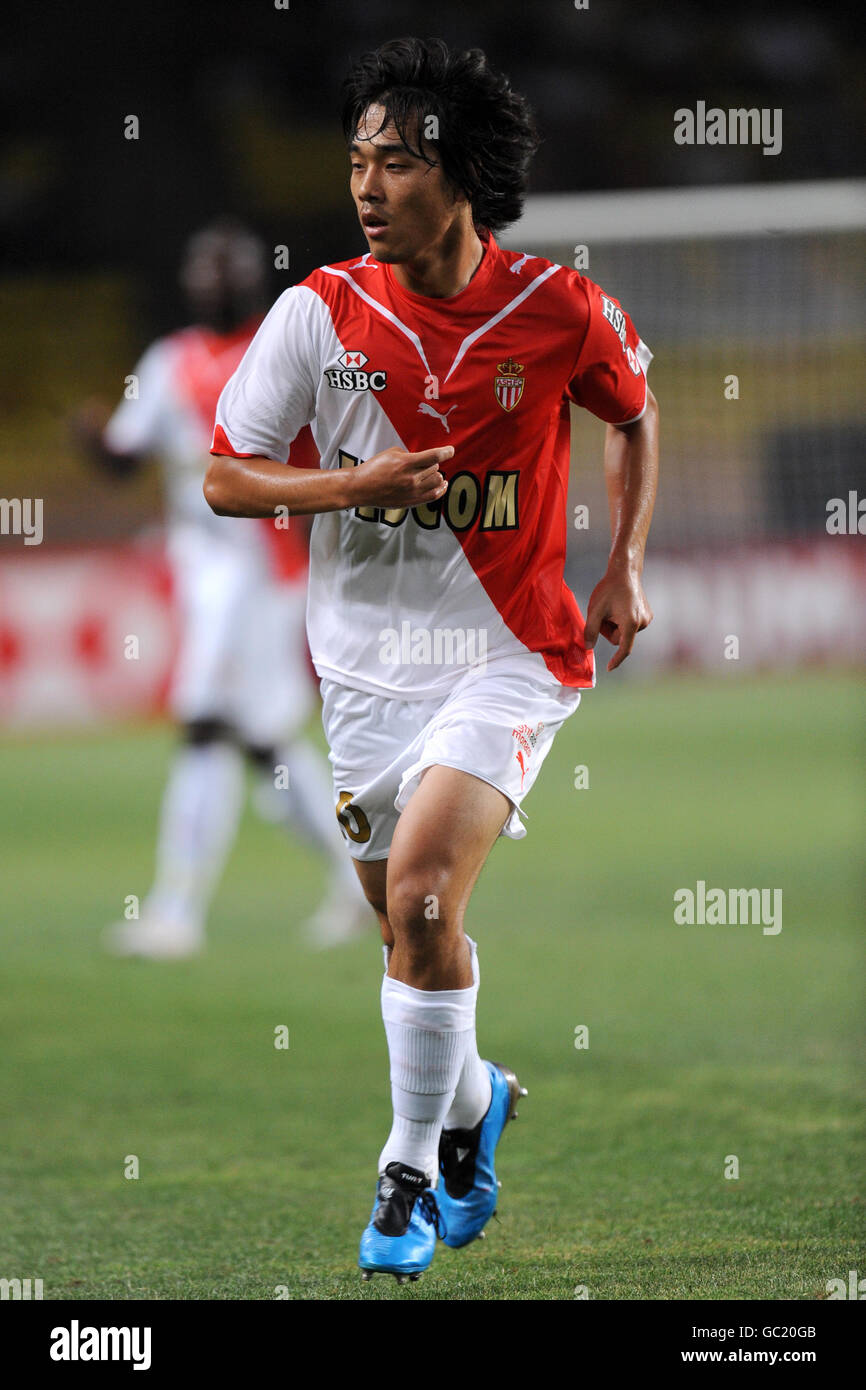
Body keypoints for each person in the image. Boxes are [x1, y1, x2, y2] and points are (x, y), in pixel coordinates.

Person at [205, 38, 659, 1284]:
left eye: (394, 160)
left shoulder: (556, 309)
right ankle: (474, 1101)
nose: (364, 184)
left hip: (511, 653)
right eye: (355, 158)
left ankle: (404, 1168)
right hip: (359, 671)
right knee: (407, 927)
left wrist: (620, 563)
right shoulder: (319, 314)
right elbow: (225, 475)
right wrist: (355, 480)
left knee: (418, 894)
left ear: (456, 177)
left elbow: (634, 412)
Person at [74, 220, 371, 957]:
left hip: (263, 573)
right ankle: (359, 880)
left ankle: (176, 911)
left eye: (230, 270)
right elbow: (126, 455)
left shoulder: (282, 351)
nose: (217, 282)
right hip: (204, 574)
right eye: (206, 271)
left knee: (205, 722)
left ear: (252, 279)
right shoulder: (168, 360)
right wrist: (94, 443)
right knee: (264, 743)